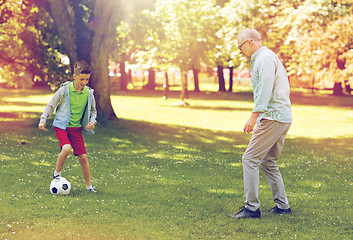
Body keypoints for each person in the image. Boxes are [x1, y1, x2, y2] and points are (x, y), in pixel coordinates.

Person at [229, 29, 292, 219]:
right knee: (269, 161)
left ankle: (251, 208)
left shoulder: (264, 58)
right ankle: (282, 206)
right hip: (282, 116)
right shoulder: (266, 56)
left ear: (249, 42)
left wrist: (254, 116)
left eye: (240, 47)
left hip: (272, 117)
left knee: (250, 159)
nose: (240, 51)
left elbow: (265, 88)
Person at [38, 60, 98, 193]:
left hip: (76, 129)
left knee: (83, 157)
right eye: (82, 79)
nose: (84, 82)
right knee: (66, 148)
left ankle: (89, 187)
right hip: (61, 126)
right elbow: (51, 105)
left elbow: (93, 111)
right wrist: (43, 120)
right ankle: (57, 174)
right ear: (74, 76)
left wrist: (92, 122)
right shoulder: (64, 90)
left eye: (87, 79)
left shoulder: (88, 93)